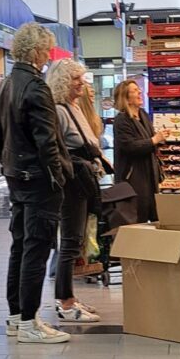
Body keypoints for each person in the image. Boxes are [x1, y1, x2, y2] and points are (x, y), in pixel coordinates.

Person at [0, 23, 72, 344]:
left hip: (15, 176)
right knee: (36, 250)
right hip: (39, 181)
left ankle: (15, 317)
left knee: (20, 246)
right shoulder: (37, 88)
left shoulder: (6, 84)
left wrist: (8, 165)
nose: (48, 56)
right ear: (37, 52)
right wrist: (59, 176)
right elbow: (48, 142)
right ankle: (29, 323)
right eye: (47, 50)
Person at [47, 59, 106, 324]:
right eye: (75, 79)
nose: (81, 83)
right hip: (71, 184)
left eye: (81, 78)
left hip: (82, 180)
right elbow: (57, 150)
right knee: (70, 242)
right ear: (62, 81)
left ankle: (69, 296)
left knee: (77, 241)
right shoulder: (59, 110)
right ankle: (66, 302)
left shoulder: (73, 107)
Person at [113, 79, 166, 223]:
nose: (140, 92)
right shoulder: (122, 120)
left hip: (149, 176)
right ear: (126, 98)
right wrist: (154, 140)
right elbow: (129, 146)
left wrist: (159, 139)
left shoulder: (143, 115)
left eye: (138, 90)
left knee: (153, 215)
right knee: (136, 217)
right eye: (135, 90)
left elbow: (150, 141)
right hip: (133, 178)